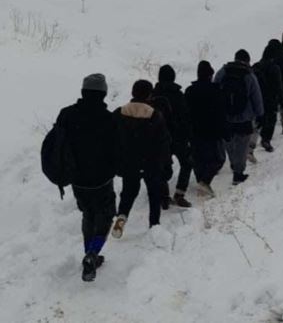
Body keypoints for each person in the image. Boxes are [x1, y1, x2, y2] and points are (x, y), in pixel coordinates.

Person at [53, 74, 118, 281]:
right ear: (104, 93)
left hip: (77, 179)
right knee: (105, 215)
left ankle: (89, 253)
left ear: (83, 92)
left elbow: (58, 144)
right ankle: (93, 252)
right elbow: (117, 150)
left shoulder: (66, 114)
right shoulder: (108, 119)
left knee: (88, 214)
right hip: (102, 179)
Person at [112, 80, 172, 238]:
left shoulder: (119, 113)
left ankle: (121, 217)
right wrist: (166, 164)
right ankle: (154, 225)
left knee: (128, 192)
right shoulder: (155, 115)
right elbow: (163, 143)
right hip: (151, 163)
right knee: (154, 193)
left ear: (132, 93)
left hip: (128, 162)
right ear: (149, 95)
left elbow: (112, 139)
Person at [213, 49, 264, 185]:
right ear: (247, 61)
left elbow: (215, 91)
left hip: (225, 116)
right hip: (244, 118)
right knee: (242, 145)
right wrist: (260, 114)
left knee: (228, 142)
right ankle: (238, 173)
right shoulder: (249, 75)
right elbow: (256, 97)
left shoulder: (222, 72)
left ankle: (233, 163)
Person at [153, 65, 193, 208]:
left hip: (160, 138)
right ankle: (180, 194)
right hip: (178, 137)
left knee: (163, 167)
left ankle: (164, 196)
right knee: (187, 163)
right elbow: (185, 118)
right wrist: (188, 136)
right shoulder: (178, 95)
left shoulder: (153, 95)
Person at [185, 61, 226, 198]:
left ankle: (200, 181)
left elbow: (185, 112)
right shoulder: (216, 90)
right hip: (212, 130)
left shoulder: (189, 91)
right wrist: (224, 129)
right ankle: (204, 182)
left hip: (194, 131)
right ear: (210, 75)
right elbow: (221, 112)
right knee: (218, 158)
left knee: (198, 158)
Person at [253, 45, 283, 152]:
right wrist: (280, 100)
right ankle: (266, 140)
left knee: (257, 122)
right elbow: (278, 86)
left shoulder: (256, 66)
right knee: (271, 120)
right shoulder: (275, 68)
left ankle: (251, 145)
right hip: (270, 100)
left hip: (257, 98)